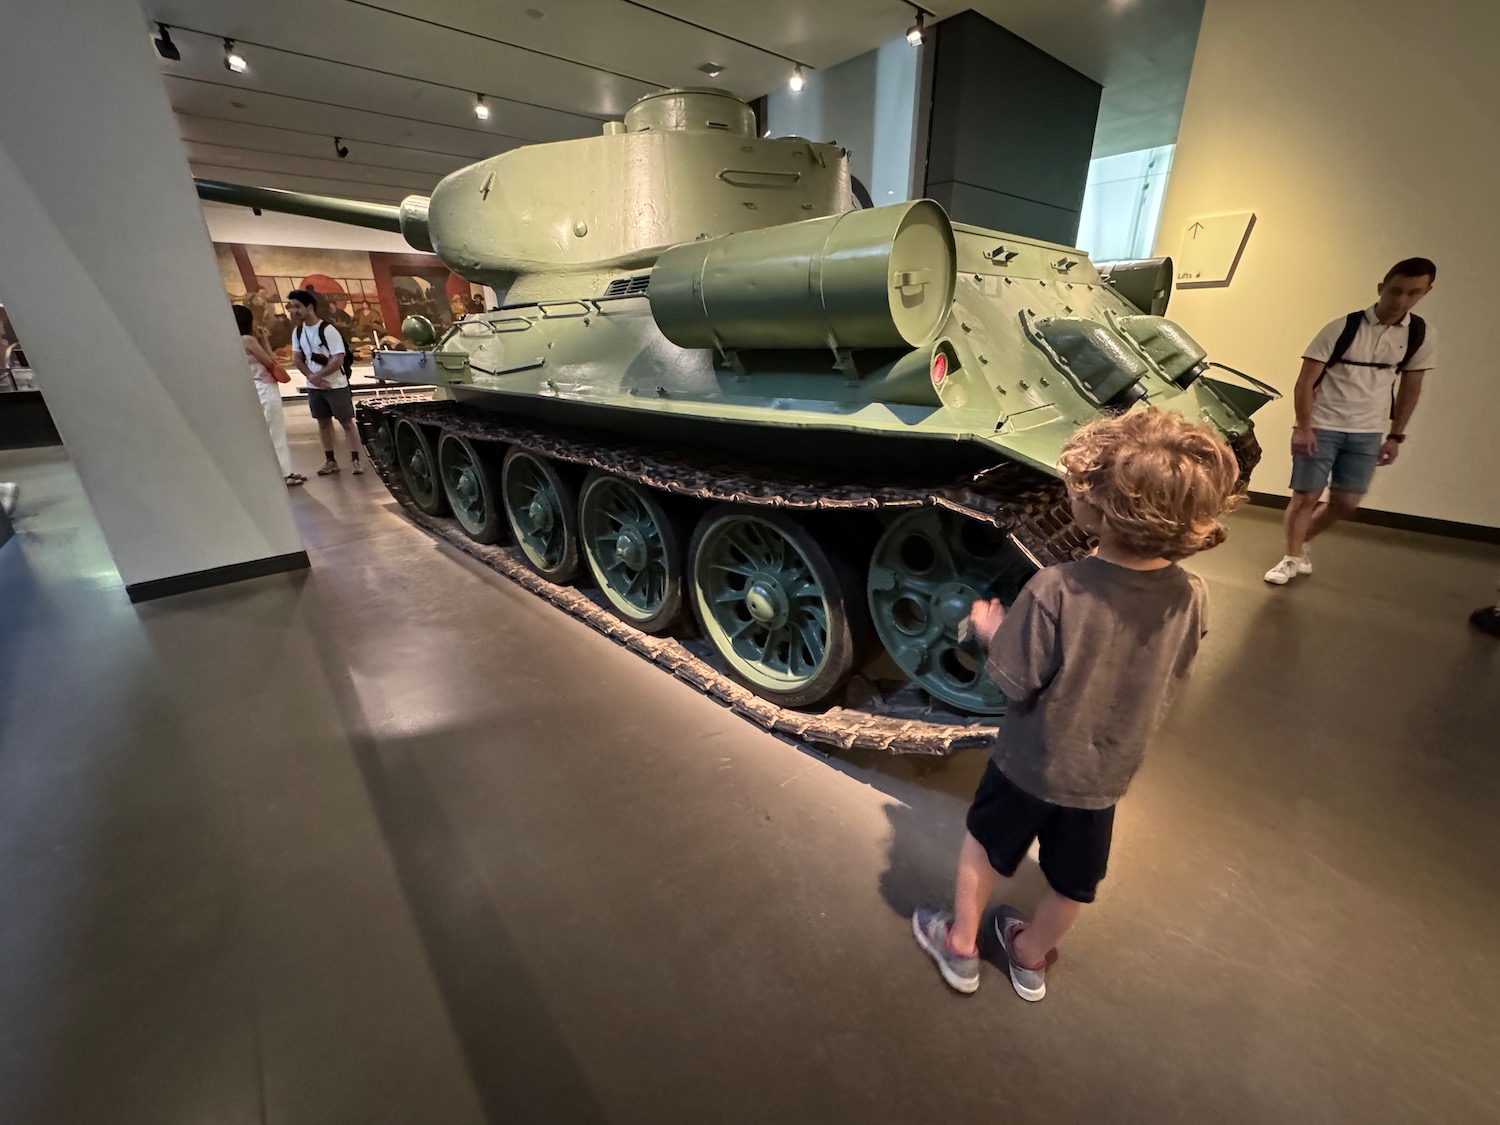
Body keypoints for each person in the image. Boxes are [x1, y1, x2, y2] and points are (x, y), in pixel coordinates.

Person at [912, 409, 1241, 1001]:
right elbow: (1179, 667)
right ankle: (1030, 957)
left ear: (1096, 508)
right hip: (1105, 775)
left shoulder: (1056, 589)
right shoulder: (1191, 595)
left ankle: (960, 945)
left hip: (1028, 763)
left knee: (984, 846)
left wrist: (994, 628)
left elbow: (1016, 680)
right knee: (1073, 880)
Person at [1264, 259, 1438, 585]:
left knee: (1347, 502)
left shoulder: (1420, 336)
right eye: (1395, 291)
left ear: (1425, 292)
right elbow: (1305, 382)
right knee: (1306, 496)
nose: (1401, 300)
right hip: (1323, 424)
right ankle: (1290, 557)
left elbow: (1410, 388)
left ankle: (1301, 544)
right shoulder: (1342, 328)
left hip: (1368, 430)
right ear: (1381, 288)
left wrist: (1395, 436)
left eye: (1413, 293)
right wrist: (1303, 427)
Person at [286, 288, 364, 476]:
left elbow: (337, 359)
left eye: (298, 306)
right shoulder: (298, 332)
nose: (294, 311)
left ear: (309, 306)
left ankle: (356, 459)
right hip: (316, 386)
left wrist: (317, 376)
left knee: (346, 421)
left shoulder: (328, 330)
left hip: (336, 384)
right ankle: (330, 460)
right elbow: (297, 358)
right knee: (323, 422)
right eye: (291, 307)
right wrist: (313, 378)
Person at [235, 304, 303, 488]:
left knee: (268, 430)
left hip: (254, 387)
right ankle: (285, 473)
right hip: (265, 387)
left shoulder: (233, 340)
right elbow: (269, 360)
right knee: (276, 431)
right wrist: (264, 339)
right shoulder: (247, 340)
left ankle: (282, 470)